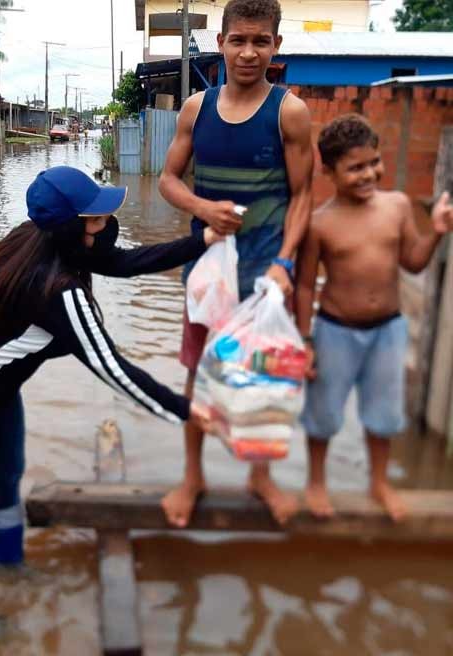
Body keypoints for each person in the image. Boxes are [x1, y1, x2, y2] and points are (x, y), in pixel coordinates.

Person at [0, 166, 218, 617]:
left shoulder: (41, 240)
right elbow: (113, 369)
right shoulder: (58, 289)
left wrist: (203, 241)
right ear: (68, 228)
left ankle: (10, 569)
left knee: (7, 479)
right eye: (93, 219)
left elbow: (126, 263)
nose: (102, 225)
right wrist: (186, 410)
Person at [157, 0, 313, 528]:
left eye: (261, 42)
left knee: (263, 381)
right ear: (219, 43)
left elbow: (304, 194)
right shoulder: (195, 110)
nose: (249, 52)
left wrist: (286, 265)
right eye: (239, 40)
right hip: (208, 275)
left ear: (276, 48)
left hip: (265, 276)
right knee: (198, 376)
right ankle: (193, 476)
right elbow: (168, 180)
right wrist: (203, 209)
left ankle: (260, 478)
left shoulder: (289, 111)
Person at [295, 114, 452, 521]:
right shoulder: (319, 223)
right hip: (334, 330)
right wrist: (305, 340)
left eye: (374, 163)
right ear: (329, 172)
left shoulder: (397, 206)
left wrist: (435, 231)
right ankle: (316, 482)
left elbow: (414, 264)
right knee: (324, 413)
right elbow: (306, 287)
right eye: (355, 167)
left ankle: (380, 483)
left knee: (384, 414)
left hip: (388, 329)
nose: (369, 174)